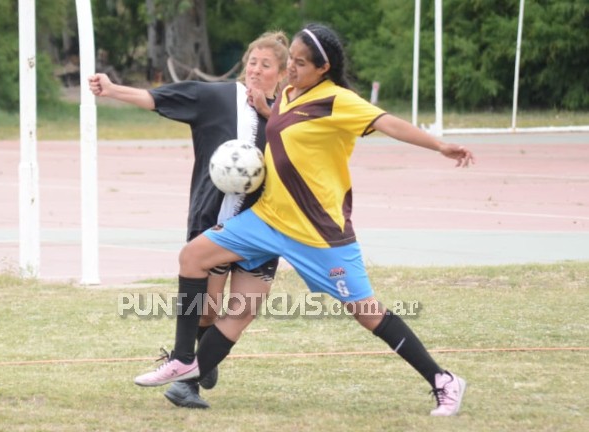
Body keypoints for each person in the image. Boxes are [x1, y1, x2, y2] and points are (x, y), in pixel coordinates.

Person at [140, 23, 475, 416]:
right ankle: (185, 361)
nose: (292, 68)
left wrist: (439, 145)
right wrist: (265, 109)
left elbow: (389, 123)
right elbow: (279, 122)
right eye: (292, 60)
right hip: (267, 220)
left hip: (318, 234)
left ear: (323, 68)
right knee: (193, 257)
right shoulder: (287, 94)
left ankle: (443, 381)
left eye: (300, 63)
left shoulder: (338, 100)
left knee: (368, 313)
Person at [88, 30, 289, 408]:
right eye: (252, 63)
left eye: (266, 66)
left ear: (281, 74)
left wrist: (270, 113)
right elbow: (157, 98)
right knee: (206, 313)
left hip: (262, 229)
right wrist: (113, 89)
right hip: (212, 224)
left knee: (244, 310)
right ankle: (197, 364)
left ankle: (190, 377)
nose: (256, 70)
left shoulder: (286, 119)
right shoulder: (215, 97)